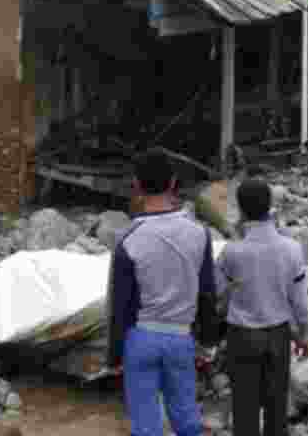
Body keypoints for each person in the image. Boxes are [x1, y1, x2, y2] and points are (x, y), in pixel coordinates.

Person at [107, 148, 217, 436]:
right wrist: (207, 341)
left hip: (141, 339)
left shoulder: (127, 239)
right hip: (181, 339)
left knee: (146, 426)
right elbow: (207, 293)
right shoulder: (200, 233)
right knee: (187, 421)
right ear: (173, 183)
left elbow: (120, 304)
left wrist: (115, 355)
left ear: (136, 186)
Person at [214, 179, 308, 436]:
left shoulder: (232, 251)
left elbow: (219, 290)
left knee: (244, 406)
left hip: (242, 335)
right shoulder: (291, 248)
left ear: (241, 210)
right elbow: (299, 300)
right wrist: (304, 331)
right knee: (276, 406)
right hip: (278, 333)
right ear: (270, 206)